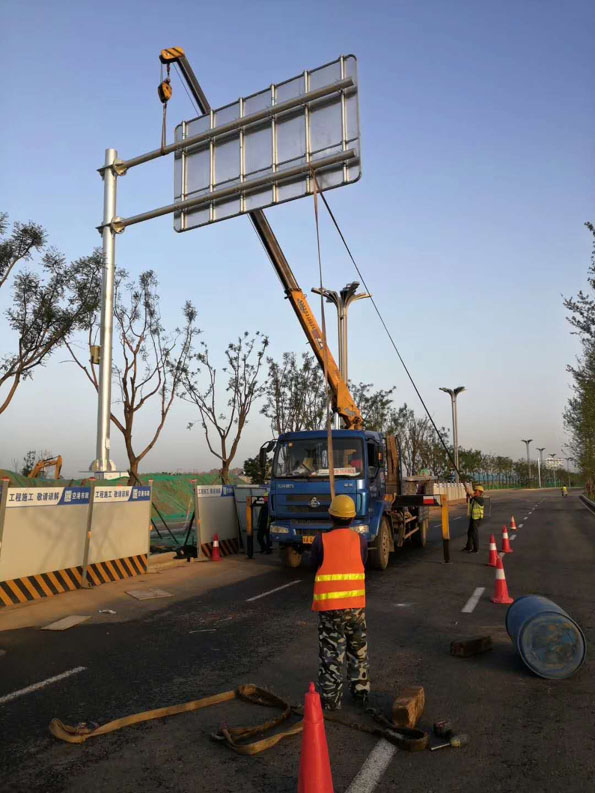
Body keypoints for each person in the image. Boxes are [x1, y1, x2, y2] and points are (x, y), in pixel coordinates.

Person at [310, 494, 370, 711]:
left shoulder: (321, 541)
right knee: (358, 649)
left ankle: (330, 700)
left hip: (330, 610)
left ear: (331, 516)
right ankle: (361, 692)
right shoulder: (360, 540)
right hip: (355, 608)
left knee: (331, 654)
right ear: (353, 518)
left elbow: (314, 564)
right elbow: (361, 561)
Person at [462, 485, 485, 553]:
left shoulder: (480, 499)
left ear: (480, 492)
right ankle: (468, 547)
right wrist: (467, 494)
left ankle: (476, 549)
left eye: (476, 491)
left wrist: (470, 492)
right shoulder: (475, 498)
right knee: (469, 532)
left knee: (474, 533)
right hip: (473, 517)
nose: (475, 492)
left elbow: (474, 497)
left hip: (477, 518)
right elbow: (468, 501)